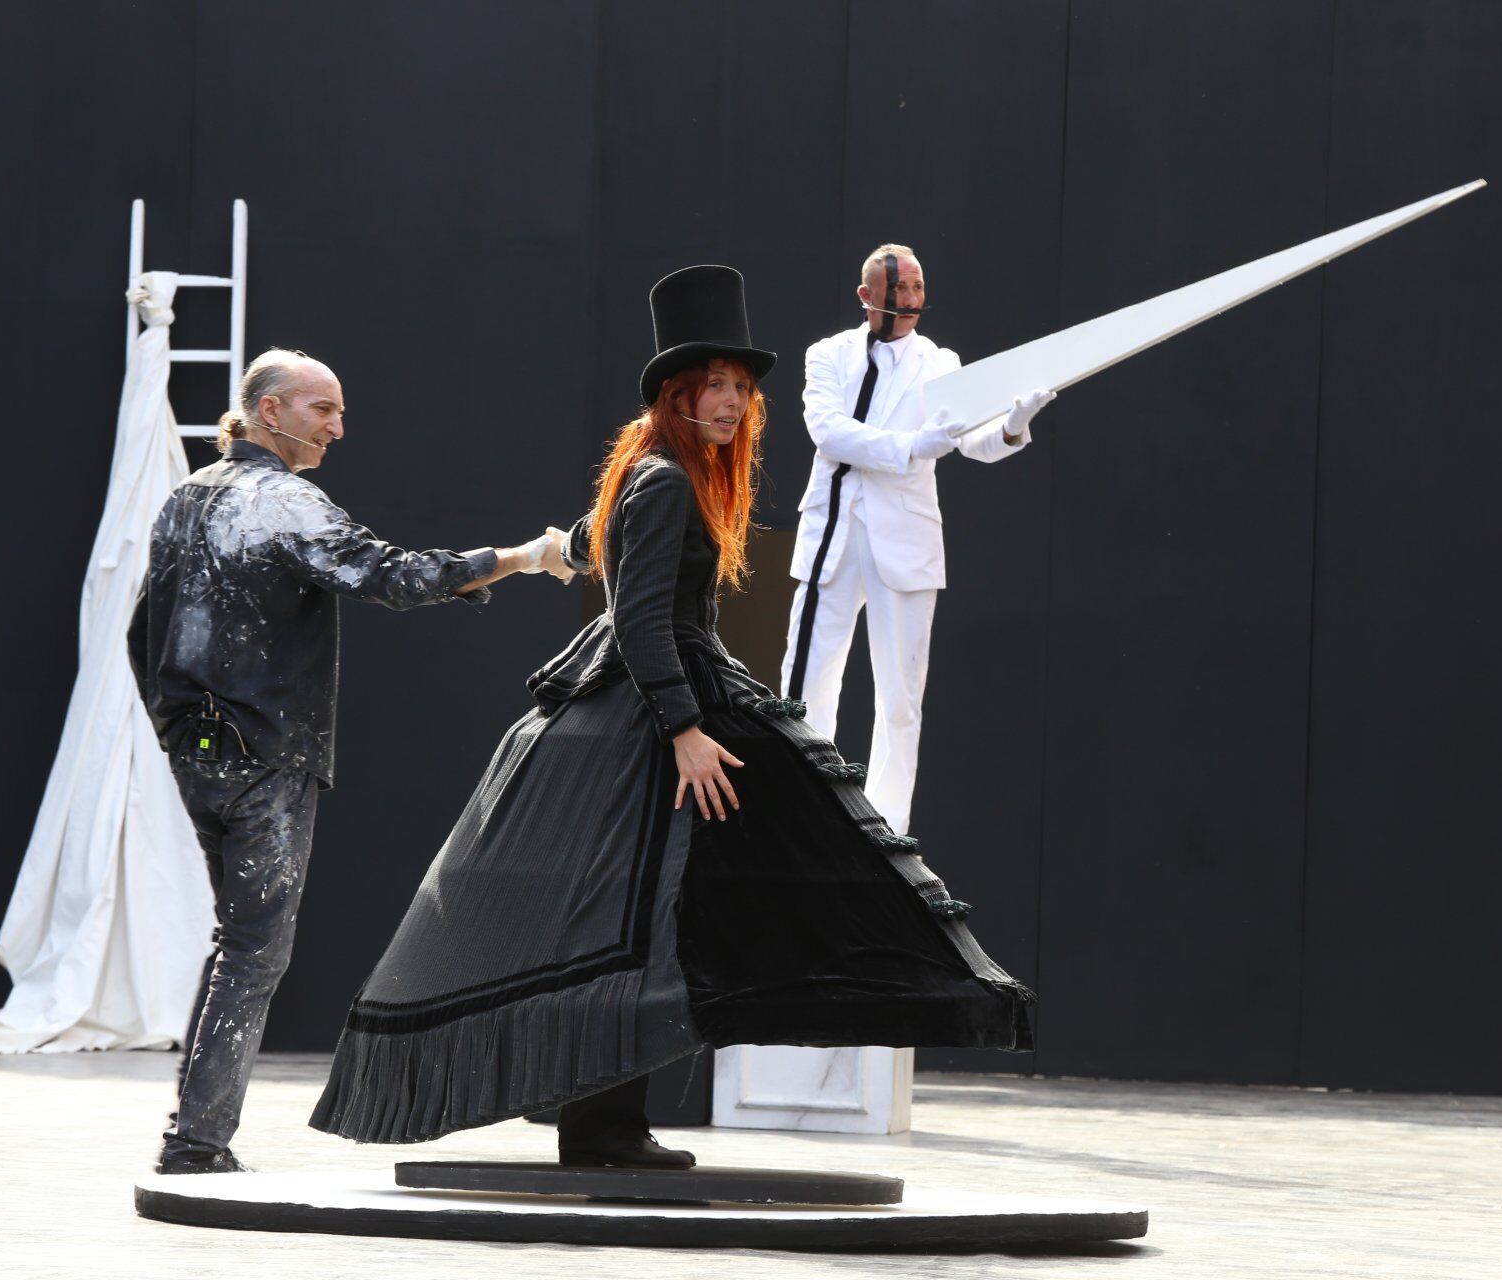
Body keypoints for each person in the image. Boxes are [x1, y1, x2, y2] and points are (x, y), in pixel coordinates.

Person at [310, 266, 1033, 1167]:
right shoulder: (664, 481)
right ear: (677, 395)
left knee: (636, 914)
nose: (732, 402)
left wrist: (547, 552)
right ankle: (601, 1123)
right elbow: (643, 618)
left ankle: (599, 1118)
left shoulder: (657, 474)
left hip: (650, 700)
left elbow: (596, 545)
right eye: (714, 385)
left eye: (741, 387)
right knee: (642, 911)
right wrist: (685, 730)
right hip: (652, 710)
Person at [127, 349, 564, 1174]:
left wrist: (176, 729)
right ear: (270, 412)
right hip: (265, 754)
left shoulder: (187, 496)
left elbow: (141, 630)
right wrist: (519, 557)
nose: (336, 427)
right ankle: (194, 1143)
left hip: (200, 755)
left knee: (240, 941)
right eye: (321, 409)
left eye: (338, 411)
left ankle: (196, 1133)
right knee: (254, 948)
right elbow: (394, 576)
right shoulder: (286, 502)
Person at [782, 244, 1056, 833]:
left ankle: (884, 828)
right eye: (898, 289)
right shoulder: (828, 354)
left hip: (904, 540)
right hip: (832, 532)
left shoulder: (940, 362)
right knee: (807, 683)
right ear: (867, 296)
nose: (909, 300)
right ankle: (801, 813)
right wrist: (911, 447)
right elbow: (828, 432)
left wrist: (1012, 426)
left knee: (901, 698)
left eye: (916, 287)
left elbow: (971, 441)